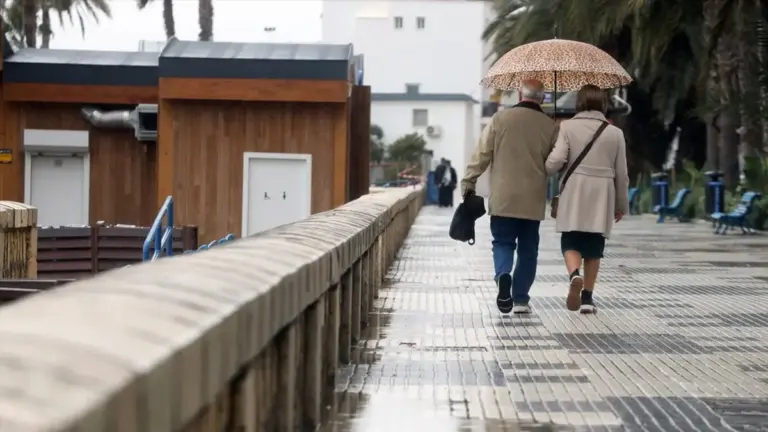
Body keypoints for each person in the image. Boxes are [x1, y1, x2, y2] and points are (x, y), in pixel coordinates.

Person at [461, 80, 557, 314]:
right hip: (532, 199)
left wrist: (468, 182)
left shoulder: (499, 119)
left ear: (519, 93)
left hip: (503, 197)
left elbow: (482, 154)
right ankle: (521, 298)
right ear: (543, 98)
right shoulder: (550, 126)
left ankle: (503, 275)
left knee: (502, 242)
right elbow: (556, 162)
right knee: (528, 249)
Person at [545, 84, 629, 314]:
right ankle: (587, 299)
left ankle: (574, 275)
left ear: (579, 102)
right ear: (602, 103)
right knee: (594, 245)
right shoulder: (615, 133)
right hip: (603, 193)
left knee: (571, 239)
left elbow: (556, 161)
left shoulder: (567, 126)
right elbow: (622, 174)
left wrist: (546, 166)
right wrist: (621, 205)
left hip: (574, 188)